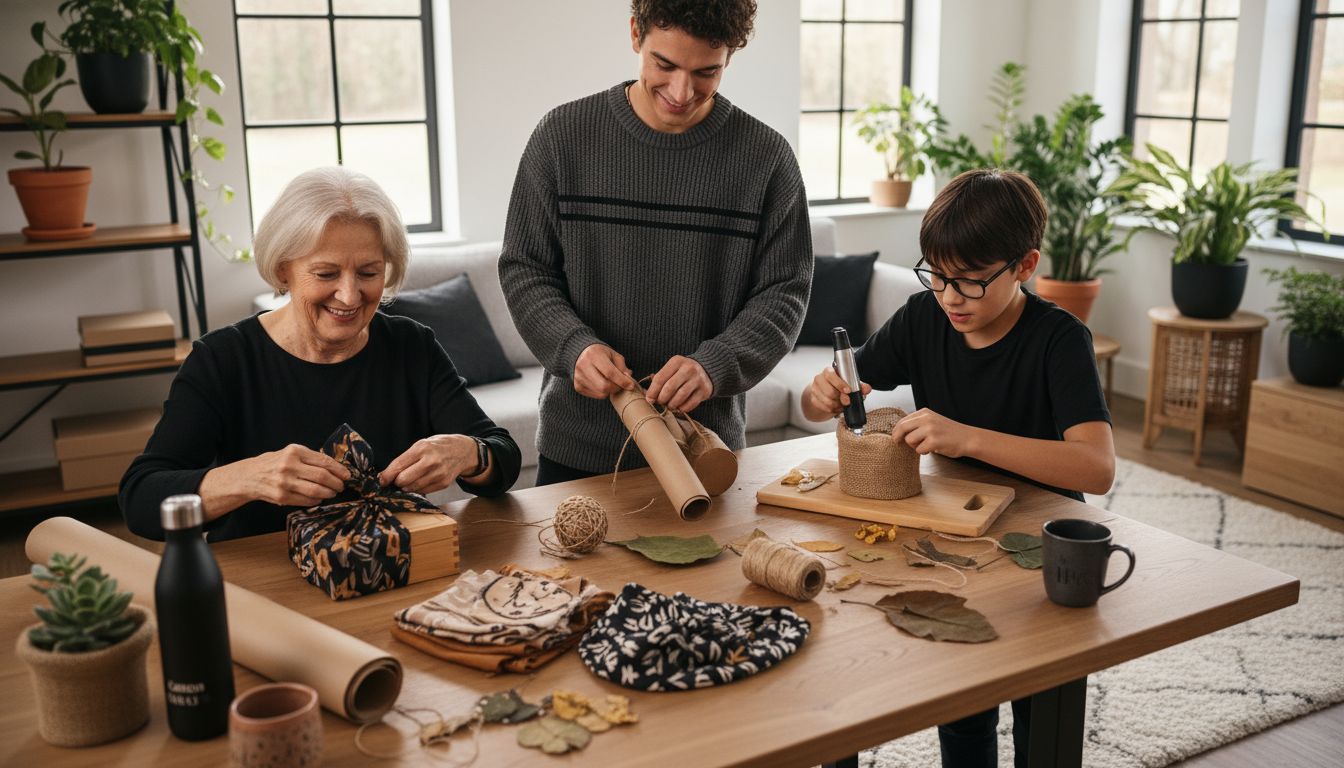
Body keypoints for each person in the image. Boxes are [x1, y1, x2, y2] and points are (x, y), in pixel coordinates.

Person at [800, 169, 1115, 767]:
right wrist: (820, 396)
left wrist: (967, 439)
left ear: (1025, 265)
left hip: (1040, 548)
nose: (950, 297)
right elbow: (842, 389)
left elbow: (1096, 468)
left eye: (970, 282)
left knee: (1038, 703)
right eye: (937, 276)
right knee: (963, 700)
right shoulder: (924, 318)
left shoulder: (1058, 340)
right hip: (959, 539)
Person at [498, 0, 812, 486]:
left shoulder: (767, 159)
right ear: (634, 35)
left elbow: (784, 294)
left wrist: (716, 365)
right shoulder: (561, 138)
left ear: (730, 57)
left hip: (704, 451)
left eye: (707, 71)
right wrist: (573, 347)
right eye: (664, 65)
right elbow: (525, 268)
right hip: (576, 450)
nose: (682, 92)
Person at [120, 167, 521, 541]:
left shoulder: (410, 345)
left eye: (368, 273)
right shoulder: (224, 359)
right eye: (326, 274)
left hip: (396, 569)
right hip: (265, 586)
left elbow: (501, 455)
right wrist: (248, 478)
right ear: (282, 270)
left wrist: (470, 453)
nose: (349, 296)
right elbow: (140, 498)